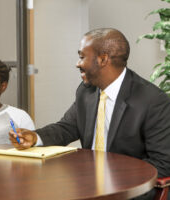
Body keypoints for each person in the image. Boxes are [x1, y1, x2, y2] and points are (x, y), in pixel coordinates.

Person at [9, 28, 170, 198]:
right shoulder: (86, 91)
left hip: (128, 190)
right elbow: (67, 127)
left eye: (81, 57)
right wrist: (35, 137)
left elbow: (162, 163)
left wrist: (111, 182)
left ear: (103, 59)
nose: (77, 64)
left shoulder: (153, 101)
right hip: (87, 183)